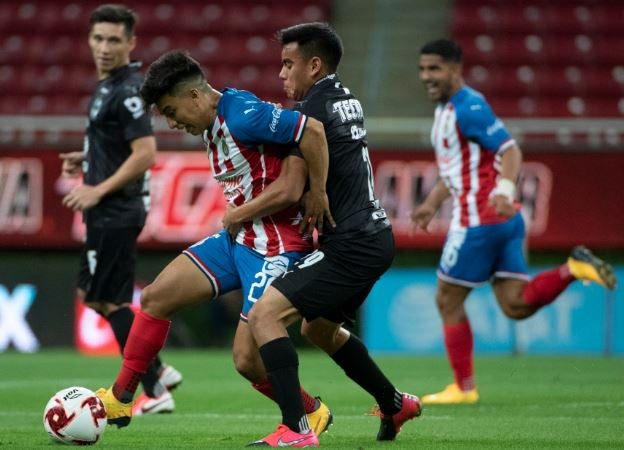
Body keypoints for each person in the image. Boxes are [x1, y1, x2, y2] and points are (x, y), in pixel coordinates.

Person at [94, 50, 335, 436]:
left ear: (194, 96)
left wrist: (317, 191)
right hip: (238, 239)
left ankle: (309, 413)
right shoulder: (212, 122)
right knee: (156, 297)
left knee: (246, 360)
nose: (173, 122)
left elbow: (312, 134)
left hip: (276, 243)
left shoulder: (244, 113)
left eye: (173, 111)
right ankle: (121, 397)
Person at [412, 38, 618, 405]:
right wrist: (430, 204)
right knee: (516, 303)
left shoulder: (468, 106)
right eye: (423, 68)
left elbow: (510, 150)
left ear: (455, 70)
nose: (427, 76)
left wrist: (505, 190)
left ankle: (463, 387)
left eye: (435, 69)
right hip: (503, 221)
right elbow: (456, 170)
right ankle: (573, 268)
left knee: (446, 298)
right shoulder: (447, 109)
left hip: (480, 218)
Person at [245, 23, 421, 448]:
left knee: (264, 315)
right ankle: (394, 403)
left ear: (315, 64)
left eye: (289, 64)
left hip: (353, 242)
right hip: (374, 234)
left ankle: (296, 428)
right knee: (317, 330)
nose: (282, 75)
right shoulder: (346, 100)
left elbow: (288, 188)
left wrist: (238, 213)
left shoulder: (310, 116)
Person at [59, 4, 182, 417]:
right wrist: (89, 157)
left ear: (131, 43)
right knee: (94, 298)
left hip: (115, 209)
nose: (105, 47)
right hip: (110, 209)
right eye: (98, 38)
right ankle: (159, 371)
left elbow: (146, 153)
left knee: (110, 301)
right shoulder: (110, 85)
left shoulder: (127, 90)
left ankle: (155, 389)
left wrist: (96, 189)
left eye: (114, 40)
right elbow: (118, 144)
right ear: (89, 40)